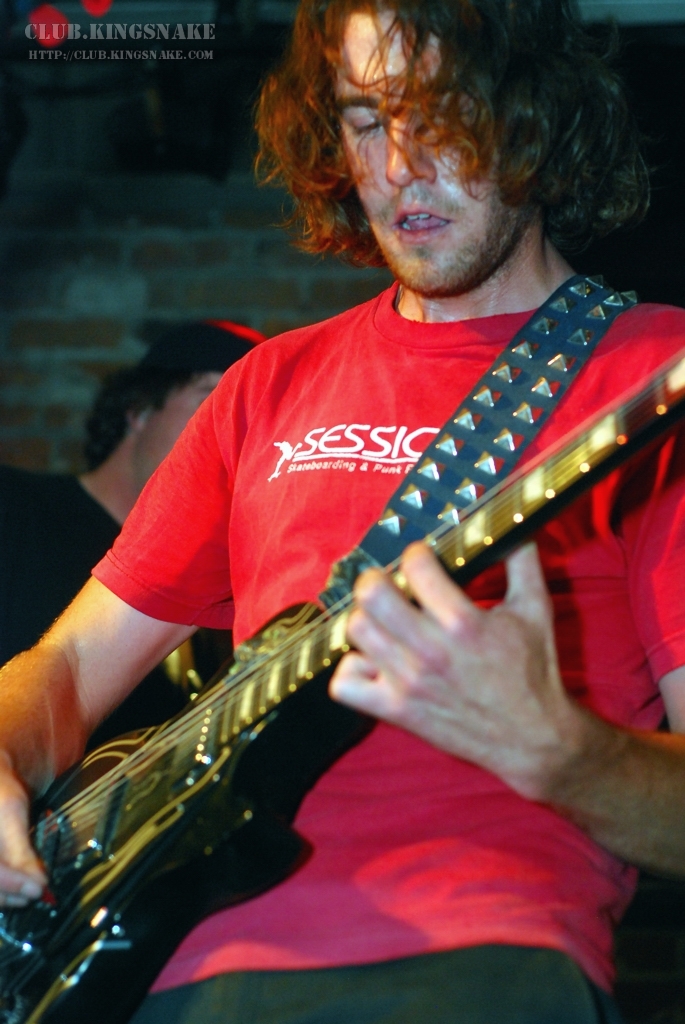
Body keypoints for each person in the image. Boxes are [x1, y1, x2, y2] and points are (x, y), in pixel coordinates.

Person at [1, 2, 685, 1023]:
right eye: (366, 119)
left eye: (442, 114)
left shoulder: (654, 380)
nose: (399, 165)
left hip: (472, 959)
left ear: (536, 118)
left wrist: (557, 749)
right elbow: (62, 672)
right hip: (164, 970)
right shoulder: (265, 384)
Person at [0, 320, 262, 743]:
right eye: (212, 403)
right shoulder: (15, 505)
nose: (231, 434)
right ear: (139, 411)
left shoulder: (224, 588)